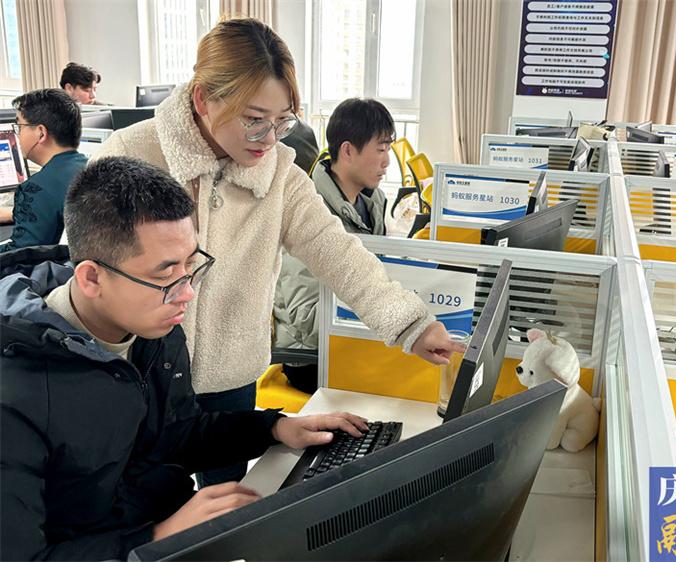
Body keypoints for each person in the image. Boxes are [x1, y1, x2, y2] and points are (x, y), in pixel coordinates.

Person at [92, 17, 463, 487]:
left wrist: (412, 324)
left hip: (231, 375)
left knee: (225, 505)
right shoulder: (131, 154)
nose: (268, 139)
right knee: (144, 505)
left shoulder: (280, 173)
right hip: (139, 377)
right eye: (254, 120)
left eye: (282, 121)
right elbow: (86, 272)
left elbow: (338, 252)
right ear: (203, 99)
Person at [0, 156, 369, 561]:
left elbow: (174, 434)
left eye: (191, 264)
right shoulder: (15, 391)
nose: (187, 293)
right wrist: (162, 535)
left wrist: (275, 428)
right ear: (91, 278)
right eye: (165, 274)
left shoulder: (151, 328)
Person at [273, 98, 393, 394]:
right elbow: (305, 318)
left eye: (388, 149)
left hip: (354, 340)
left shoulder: (373, 203)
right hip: (312, 358)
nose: (387, 161)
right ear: (348, 151)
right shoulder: (307, 211)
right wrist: (378, 313)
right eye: (380, 150)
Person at [0, 89, 87, 252]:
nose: (18, 135)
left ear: (41, 133)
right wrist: (15, 212)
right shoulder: (88, 166)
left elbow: (20, 255)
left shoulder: (38, 187)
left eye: (20, 127)